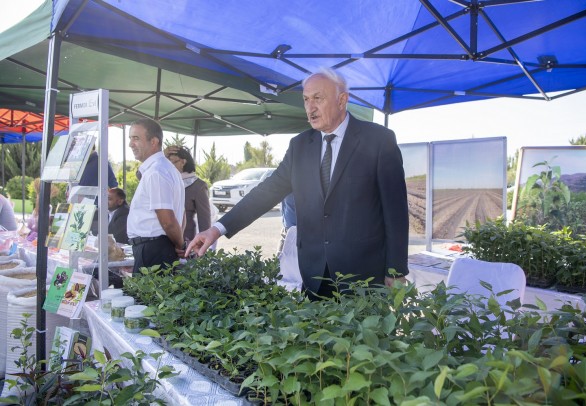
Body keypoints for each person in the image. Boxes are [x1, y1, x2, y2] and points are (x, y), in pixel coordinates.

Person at [186, 68, 409, 298]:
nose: (310, 108)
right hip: (315, 276)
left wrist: (396, 270)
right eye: (305, 99)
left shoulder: (379, 140)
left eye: (318, 99)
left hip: (364, 277)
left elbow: (396, 212)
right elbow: (266, 192)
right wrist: (216, 229)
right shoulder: (299, 146)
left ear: (342, 100)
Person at [127, 118, 185, 274]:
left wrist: (180, 245)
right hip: (156, 248)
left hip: (153, 251)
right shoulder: (165, 169)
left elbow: (168, 221)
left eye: (136, 138)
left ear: (154, 141)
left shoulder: (156, 172)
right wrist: (179, 243)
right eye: (130, 138)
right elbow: (181, 214)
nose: (130, 144)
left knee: (147, 298)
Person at [164, 146, 211, 242]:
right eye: (166, 162)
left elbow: (204, 222)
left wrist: (202, 245)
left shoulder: (198, 186)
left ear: (183, 162)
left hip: (185, 240)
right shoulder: (162, 180)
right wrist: (161, 156)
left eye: (172, 162)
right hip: (160, 239)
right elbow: (141, 175)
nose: (168, 166)